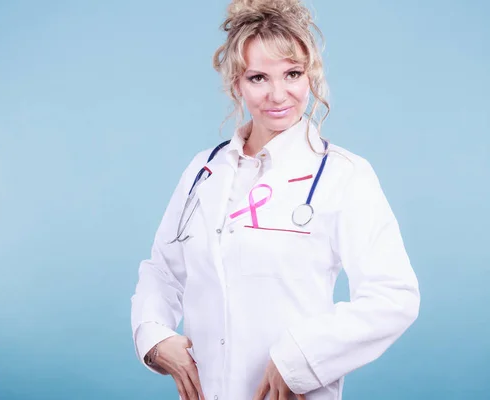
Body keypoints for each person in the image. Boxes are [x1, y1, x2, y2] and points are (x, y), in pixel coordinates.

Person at [130, 0, 420, 399]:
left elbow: (394, 297)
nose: (278, 94)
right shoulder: (204, 170)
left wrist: (300, 357)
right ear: (237, 84)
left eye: (292, 74)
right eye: (258, 78)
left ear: (310, 76)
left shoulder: (343, 175)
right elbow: (163, 269)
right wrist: (153, 335)